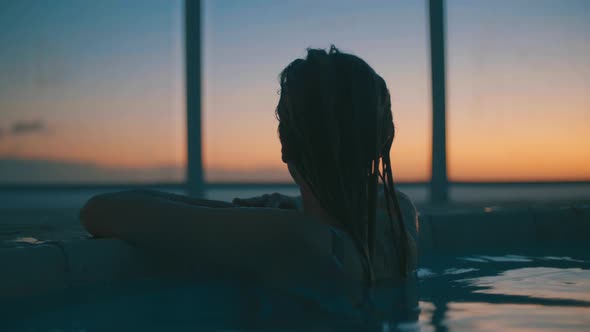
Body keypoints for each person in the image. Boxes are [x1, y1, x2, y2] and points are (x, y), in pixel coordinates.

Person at [80, 46, 418, 286]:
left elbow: (99, 211)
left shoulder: (296, 238)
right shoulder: (400, 220)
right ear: (384, 137)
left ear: (285, 145)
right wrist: (294, 207)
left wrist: (257, 215)